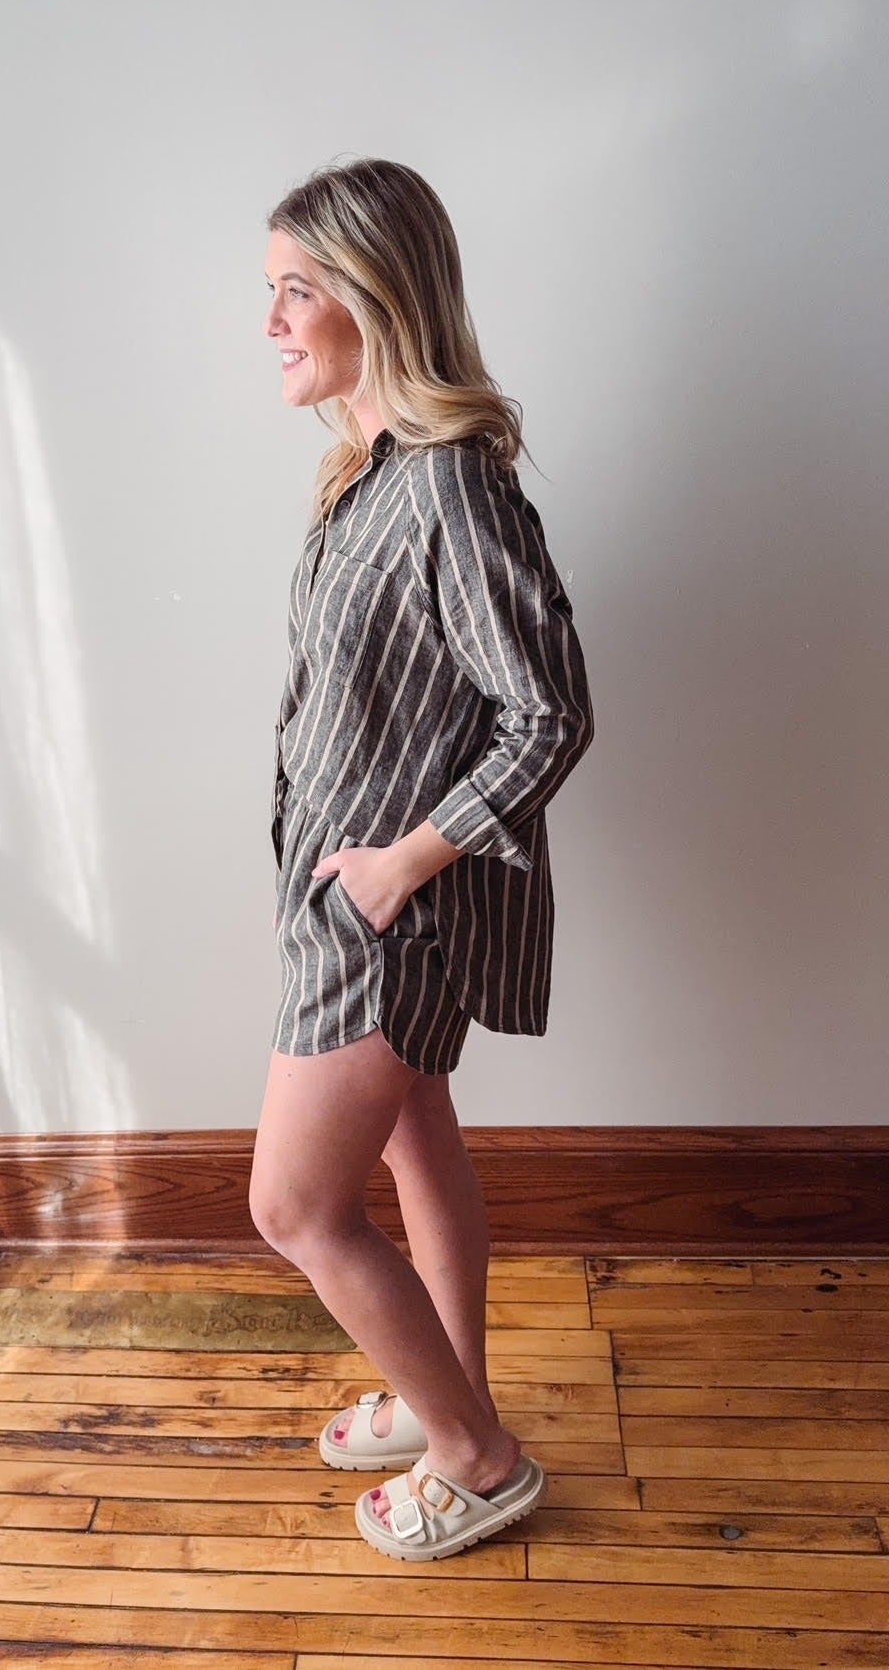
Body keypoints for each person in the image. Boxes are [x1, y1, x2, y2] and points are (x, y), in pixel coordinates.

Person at [248, 157, 594, 1561]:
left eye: (297, 291)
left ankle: (476, 1456)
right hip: (349, 904)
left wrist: (401, 867)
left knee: (293, 1205)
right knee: (416, 1136)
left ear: (376, 297)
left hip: (392, 918)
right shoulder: (369, 475)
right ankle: (442, 1393)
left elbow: (550, 714)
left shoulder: (450, 484)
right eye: (270, 292)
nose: (271, 323)